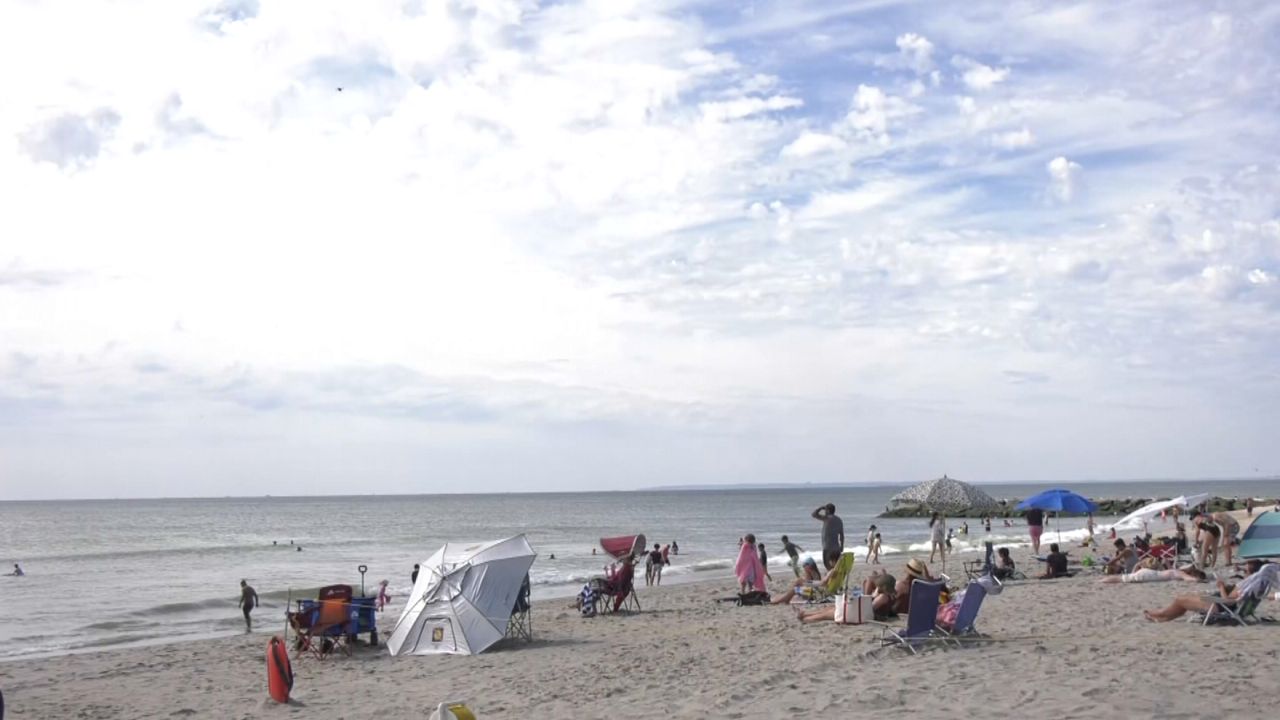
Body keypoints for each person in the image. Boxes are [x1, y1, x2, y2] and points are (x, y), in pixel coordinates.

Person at [1144, 560, 1278, 622]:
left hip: (1219, 606)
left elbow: (1229, 602)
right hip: (1222, 605)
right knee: (1185, 600)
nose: (1244, 571)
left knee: (1180, 600)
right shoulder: (1256, 585)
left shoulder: (1245, 586)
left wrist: (1220, 587)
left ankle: (1160, 614)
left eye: (1246, 570)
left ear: (1252, 573)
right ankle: (1163, 617)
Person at [794, 572, 897, 623]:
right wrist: (874, 594)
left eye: (878, 586)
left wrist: (873, 595)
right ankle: (806, 614)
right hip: (865, 613)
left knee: (827, 614)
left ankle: (806, 619)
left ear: (883, 587)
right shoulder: (889, 596)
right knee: (830, 609)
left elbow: (871, 607)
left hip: (864, 615)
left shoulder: (883, 597)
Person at [812, 503, 845, 570]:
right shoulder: (839, 520)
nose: (824, 512)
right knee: (836, 566)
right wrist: (842, 546)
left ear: (828, 510)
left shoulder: (827, 518)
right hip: (836, 548)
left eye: (825, 510)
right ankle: (835, 578)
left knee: (827, 565)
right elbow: (841, 535)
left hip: (828, 548)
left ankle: (831, 577)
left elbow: (813, 514)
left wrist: (821, 507)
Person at [1099, 566, 1207, 584]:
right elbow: (1189, 579)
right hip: (1150, 575)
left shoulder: (1177, 570)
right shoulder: (1180, 573)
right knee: (1123, 579)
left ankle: (1103, 580)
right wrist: (1197, 580)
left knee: (1123, 578)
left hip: (1150, 573)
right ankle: (1102, 581)